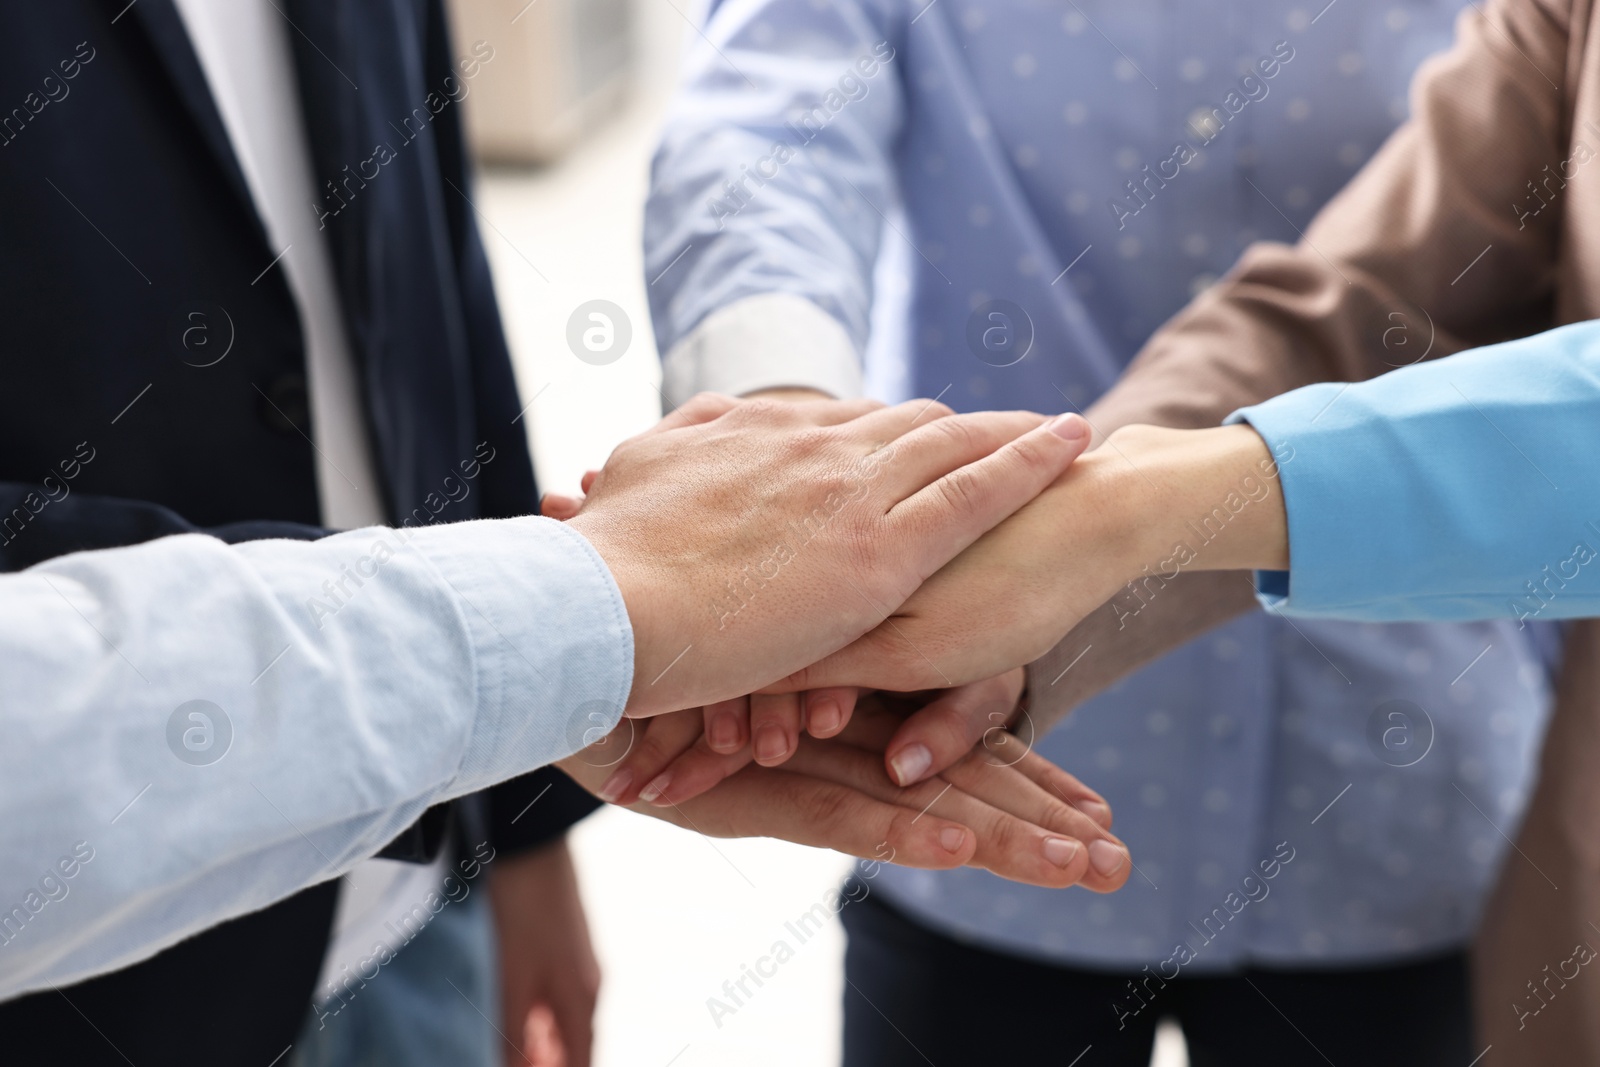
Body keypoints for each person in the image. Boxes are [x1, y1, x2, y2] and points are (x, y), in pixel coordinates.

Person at [0, 5, 1104, 1066]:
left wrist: (527, 824)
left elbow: (433, 261)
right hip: (93, 969)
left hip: (421, 866)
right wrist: (613, 602)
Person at [641, 0, 1548, 1061]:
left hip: (1397, 782)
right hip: (962, 773)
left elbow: (1441, 281)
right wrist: (788, 449)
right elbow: (761, 140)